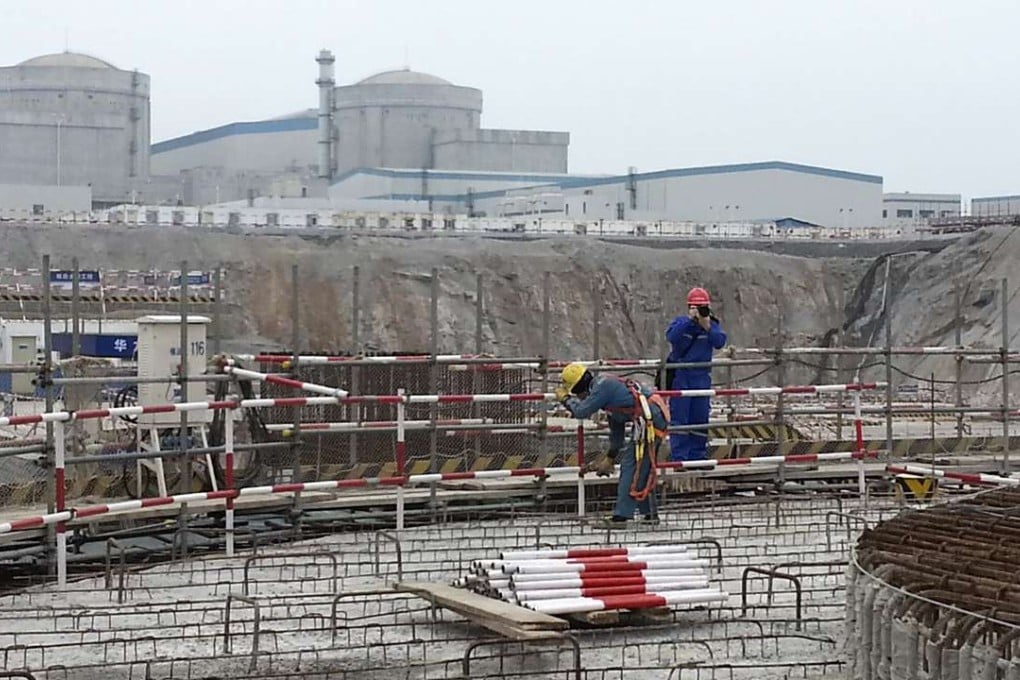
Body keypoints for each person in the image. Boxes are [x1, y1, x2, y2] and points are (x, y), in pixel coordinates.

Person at [555, 362, 670, 524]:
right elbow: (617, 433)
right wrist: (610, 458)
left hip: (649, 418)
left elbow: (581, 411)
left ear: (578, 388)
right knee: (642, 466)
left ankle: (621, 516)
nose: (580, 398)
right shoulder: (609, 396)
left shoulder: (602, 388)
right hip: (650, 416)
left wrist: (565, 399)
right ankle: (649, 514)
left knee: (631, 465)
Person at [664, 287, 727, 461]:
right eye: (695, 307)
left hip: (701, 376)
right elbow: (671, 337)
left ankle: (698, 456)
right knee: (680, 417)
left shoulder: (711, 326)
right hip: (681, 376)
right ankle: (680, 457)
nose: (699, 311)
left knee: (700, 417)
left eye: (702, 307)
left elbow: (720, 342)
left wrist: (707, 325)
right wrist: (689, 321)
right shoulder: (681, 323)